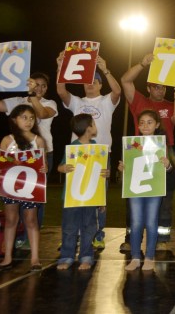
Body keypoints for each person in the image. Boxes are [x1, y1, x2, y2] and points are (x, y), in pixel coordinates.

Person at [0, 67, 58, 248]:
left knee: (36, 198)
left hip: (41, 153)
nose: (40, 88)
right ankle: (17, 233)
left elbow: (41, 114)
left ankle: (30, 236)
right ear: (29, 83)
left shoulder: (50, 103)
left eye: (43, 86)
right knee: (14, 195)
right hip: (16, 154)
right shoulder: (17, 101)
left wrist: (32, 94)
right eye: (36, 85)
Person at [56, 52, 121, 249]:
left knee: (99, 195)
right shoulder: (78, 102)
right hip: (77, 155)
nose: (90, 84)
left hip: (100, 155)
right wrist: (61, 68)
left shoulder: (106, 101)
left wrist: (105, 69)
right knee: (75, 194)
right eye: (87, 81)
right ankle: (72, 235)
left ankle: (98, 234)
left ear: (101, 84)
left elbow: (118, 91)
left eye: (95, 81)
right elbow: (61, 92)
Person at [120, 53, 175, 252]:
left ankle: (161, 240)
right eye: (156, 86)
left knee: (165, 198)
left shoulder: (169, 104)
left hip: (166, 152)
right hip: (139, 152)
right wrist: (142, 63)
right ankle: (132, 239)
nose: (160, 89)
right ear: (148, 87)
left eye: (163, 86)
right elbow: (125, 80)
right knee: (134, 195)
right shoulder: (138, 101)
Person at [0, 105, 47, 271]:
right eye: (24, 117)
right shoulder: (7, 140)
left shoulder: (38, 141)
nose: (28, 121)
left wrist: (44, 168)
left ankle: (35, 259)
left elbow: (42, 165)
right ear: (15, 119)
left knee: (31, 220)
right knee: (11, 220)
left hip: (30, 187)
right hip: (10, 186)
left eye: (31, 118)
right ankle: (7, 258)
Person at [121, 110, 174, 271]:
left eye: (149, 122)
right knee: (136, 222)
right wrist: (122, 167)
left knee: (152, 222)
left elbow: (170, 169)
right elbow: (128, 166)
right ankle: (136, 257)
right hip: (136, 189)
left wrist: (168, 165)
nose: (145, 125)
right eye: (142, 122)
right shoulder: (131, 143)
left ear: (157, 124)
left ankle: (150, 256)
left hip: (154, 189)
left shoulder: (161, 144)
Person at [56, 114, 110, 270]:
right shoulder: (72, 148)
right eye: (93, 123)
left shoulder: (98, 150)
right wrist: (63, 168)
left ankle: (86, 256)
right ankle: (66, 256)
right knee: (69, 227)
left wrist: (106, 175)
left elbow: (103, 174)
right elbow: (60, 167)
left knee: (89, 226)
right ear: (88, 128)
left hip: (91, 197)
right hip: (72, 198)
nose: (95, 126)